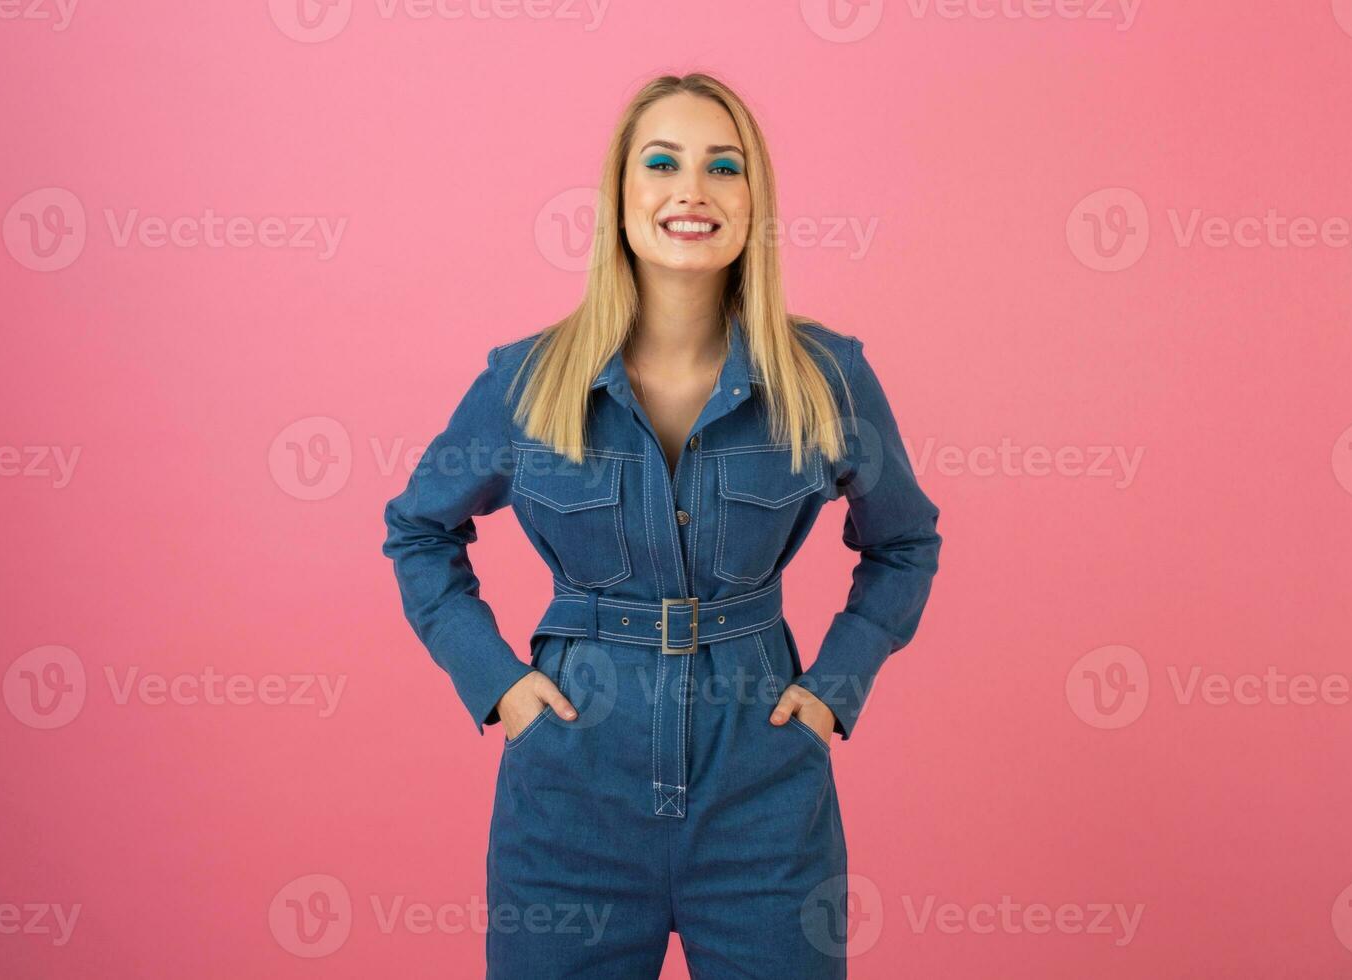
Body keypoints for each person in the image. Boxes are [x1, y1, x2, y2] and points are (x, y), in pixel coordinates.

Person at [381, 71, 942, 979]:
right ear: (621, 196)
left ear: (754, 200)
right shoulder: (526, 381)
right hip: (570, 801)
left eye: (725, 166)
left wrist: (836, 685)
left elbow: (905, 543)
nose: (693, 190)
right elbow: (418, 531)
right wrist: (500, 686)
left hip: (763, 800)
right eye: (662, 163)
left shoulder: (827, 377)